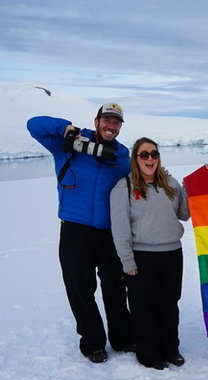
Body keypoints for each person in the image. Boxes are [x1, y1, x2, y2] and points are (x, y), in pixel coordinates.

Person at [27, 104, 133, 364]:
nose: (111, 126)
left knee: (116, 288)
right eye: (107, 120)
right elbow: (33, 124)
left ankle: (122, 338)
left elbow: (140, 180)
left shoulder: (121, 156)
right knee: (79, 289)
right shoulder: (67, 143)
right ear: (96, 121)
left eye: (116, 122)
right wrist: (65, 128)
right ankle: (93, 342)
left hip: (109, 232)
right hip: (74, 229)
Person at [110, 137, 190, 370]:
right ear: (135, 158)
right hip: (142, 256)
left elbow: (184, 214)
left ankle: (170, 349)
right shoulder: (123, 187)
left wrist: (187, 190)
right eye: (144, 154)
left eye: (153, 154)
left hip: (172, 253)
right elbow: (120, 228)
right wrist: (127, 261)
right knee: (143, 308)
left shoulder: (170, 183)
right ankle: (148, 353)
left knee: (169, 304)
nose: (150, 158)